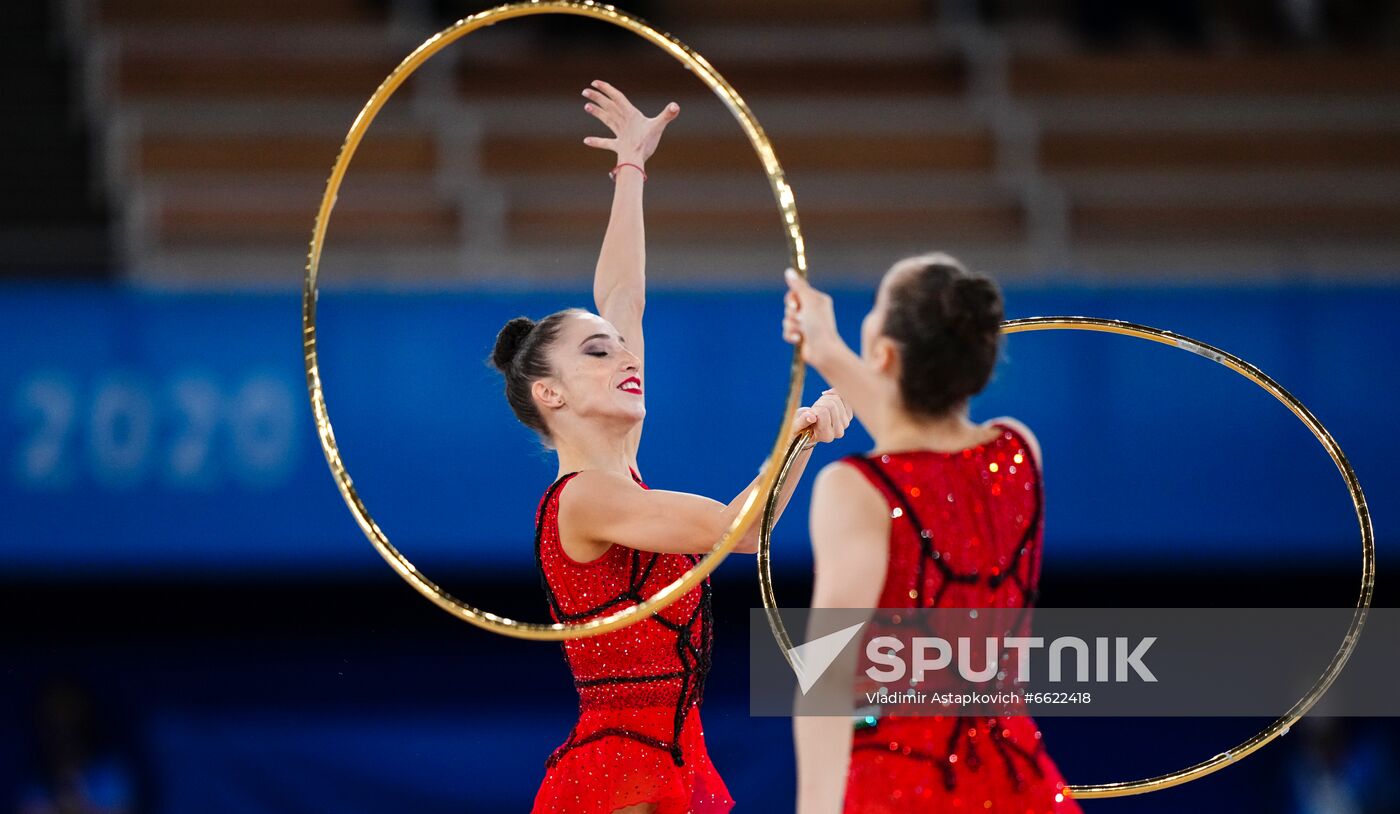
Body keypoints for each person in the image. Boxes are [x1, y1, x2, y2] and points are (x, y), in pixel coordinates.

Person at [489, 81, 852, 814]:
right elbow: (740, 531)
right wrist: (797, 434)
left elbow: (624, 296)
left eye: (623, 351)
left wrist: (631, 169)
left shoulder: (621, 473)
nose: (625, 357)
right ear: (550, 396)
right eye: (599, 354)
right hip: (619, 773)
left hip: (673, 758)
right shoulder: (586, 499)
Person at [782, 256, 1080, 813]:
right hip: (1018, 779)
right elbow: (925, 448)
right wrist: (827, 352)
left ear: (885, 354)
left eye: (873, 309)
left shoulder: (855, 489)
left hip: (902, 784)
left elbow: (827, 677)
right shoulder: (1019, 452)